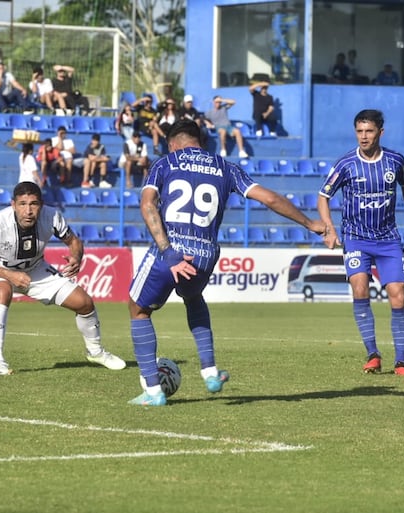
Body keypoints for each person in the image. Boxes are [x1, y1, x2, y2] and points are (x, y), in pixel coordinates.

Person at [127, 120, 327, 406]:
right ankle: (210, 372)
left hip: (172, 249)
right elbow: (269, 198)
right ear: (201, 142)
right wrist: (310, 223)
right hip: (206, 253)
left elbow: (148, 205)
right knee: (193, 296)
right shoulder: (226, 167)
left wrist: (168, 251)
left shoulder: (165, 162)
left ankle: (153, 390)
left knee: (138, 309)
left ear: (173, 144)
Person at [0, 181, 127, 376]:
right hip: (0, 270)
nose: (28, 210)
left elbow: (74, 241)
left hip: (36, 269)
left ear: (41, 205)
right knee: (2, 291)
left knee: (84, 303)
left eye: (33, 204)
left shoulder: (52, 216)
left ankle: (95, 352)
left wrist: (76, 257)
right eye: (22, 204)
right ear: (13, 204)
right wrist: (9, 275)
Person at [317, 109, 404, 376]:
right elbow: (323, 196)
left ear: (380, 132)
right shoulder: (345, 164)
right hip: (356, 238)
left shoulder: (395, 161)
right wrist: (329, 228)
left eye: (369, 131)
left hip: (388, 239)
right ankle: (373, 355)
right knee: (360, 287)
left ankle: (401, 361)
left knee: (398, 296)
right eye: (359, 131)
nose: (363, 137)